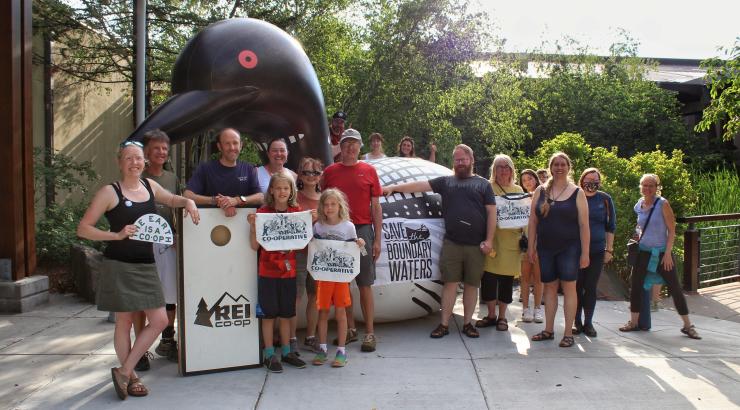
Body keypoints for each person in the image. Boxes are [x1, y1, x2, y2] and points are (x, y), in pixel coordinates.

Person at [76, 140, 199, 400]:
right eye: (129, 158)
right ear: (120, 162)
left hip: (146, 265)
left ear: (145, 162)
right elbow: (84, 228)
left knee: (160, 320)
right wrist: (116, 234)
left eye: (139, 158)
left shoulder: (149, 186)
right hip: (119, 265)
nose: (135, 162)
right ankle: (131, 377)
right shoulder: (110, 192)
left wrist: (189, 203)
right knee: (124, 321)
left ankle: (124, 369)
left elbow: (173, 198)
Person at [382, 144, 496, 339]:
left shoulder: (483, 184)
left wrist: (489, 240)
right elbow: (421, 185)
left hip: (476, 245)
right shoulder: (446, 182)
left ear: (471, 160)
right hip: (452, 242)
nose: (460, 163)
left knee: (471, 285)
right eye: (457, 160)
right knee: (450, 284)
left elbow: (491, 212)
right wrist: (394, 188)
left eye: (463, 159)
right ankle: (444, 324)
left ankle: (468, 323)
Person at [321, 128, 383, 352]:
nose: (350, 147)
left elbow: (376, 207)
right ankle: (349, 330)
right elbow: (323, 203)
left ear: (360, 147)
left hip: (363, 232)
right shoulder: (329, 172)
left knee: (365, 284)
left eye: (354, 143)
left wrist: (377, 240)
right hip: (336, 232)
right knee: (342, 284)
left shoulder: (369, 171)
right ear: (341, 146)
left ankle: (369, 333)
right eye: (346, 143)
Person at [618, 174, 701, 339]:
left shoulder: (663, 204)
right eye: (645, 185)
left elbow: (672, 230)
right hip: (642, 252)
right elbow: (640, 226)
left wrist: (668, 253)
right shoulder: (639, 205)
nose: (648, 188)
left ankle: (688, 325)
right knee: (635, 287)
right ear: (640, 187)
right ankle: (633, 322)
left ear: (657, 187)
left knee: (675, 288)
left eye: (651, 186)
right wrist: (635, 237)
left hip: (662, 254)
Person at [527, 152, 590, 348]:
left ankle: (568, 333)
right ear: (551, 167)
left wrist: (585, 253)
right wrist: (531, 246)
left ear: (568, 167)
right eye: (556, 164)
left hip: (569, 248)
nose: (559, 167)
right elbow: (533, 221)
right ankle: (549, 330)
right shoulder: (540, 191)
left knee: (569, 287)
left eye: (563, 164)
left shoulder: (577, 193)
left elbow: (584, 225)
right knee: (550, 288)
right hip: (545, 248)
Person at [247, 173, 308, 373]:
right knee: (268, 315)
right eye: (278, 188)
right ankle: (269, 354)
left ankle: (287, 352)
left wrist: (311, 222)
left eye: (286, 188)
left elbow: (302, 244)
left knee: (286, 314)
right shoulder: (263, 212)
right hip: (268, 273)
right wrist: (253, 227)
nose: (282, 192)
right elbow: (255, 246)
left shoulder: (296, 212)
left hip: (288, 274)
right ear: (271, 190)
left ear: (291, 191)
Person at [310, 189, 366, 368]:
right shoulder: (318, 226)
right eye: (326, 204)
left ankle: (341, 351)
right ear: (322, 207)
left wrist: (361, 244)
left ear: (340, 205)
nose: (329, 207)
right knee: (323, 312)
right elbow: (313, 247)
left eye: (333, 204)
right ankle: (323, 349)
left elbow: (356, 251)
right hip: (323, 278)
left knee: (341, 313)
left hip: (341, 278)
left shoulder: (348, 226)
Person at [141, 130, 180, 363]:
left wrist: (177, 234)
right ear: (147, 151)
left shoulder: (171, 178)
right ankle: (142, 346)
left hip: (167, 242)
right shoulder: (137, 176)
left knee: (170, 292)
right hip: (142, 242)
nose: (161, 152)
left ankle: (168, 339)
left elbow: (175, 209)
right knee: (145, 295)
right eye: (156, 148)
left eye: (165, 149)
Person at [475, 155, 523, 332]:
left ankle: (502, 317)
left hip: (511, 242)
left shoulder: (518, 189)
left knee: (506, 281)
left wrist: (524, 236)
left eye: (507, 166)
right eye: (500, 166)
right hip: (491, 240)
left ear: (512, 169)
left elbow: (523, 215)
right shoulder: (487, 187)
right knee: (488, 280)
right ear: (494, 169)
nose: (503, 170)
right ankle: (491, 315)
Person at [573, 168, 616, 337]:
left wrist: (609, 249)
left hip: (597, 250)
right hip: (575, 250)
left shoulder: (605, 199)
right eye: (588, 179)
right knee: (576, 287)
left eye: (595, 179)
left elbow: (610, 225)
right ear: (582, 180)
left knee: (591, 287)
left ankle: (588, 323)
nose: (592, 182)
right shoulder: (575, 196)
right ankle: (576, 321)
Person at [183, 128, 263, 216]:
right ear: (219, 146)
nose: (232, 147)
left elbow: (260, 197)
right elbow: (187, 195)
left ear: (241, 145)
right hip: (210, 225)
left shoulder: (248, 169)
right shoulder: (205, 169)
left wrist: (237, 200)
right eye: (227, 144)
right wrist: (215, 200)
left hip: (243, 225)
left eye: (235, 143)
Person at [295, 157, 322, 353]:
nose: (311, 176)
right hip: (298, 253)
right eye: (306, 172)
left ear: (321, 175)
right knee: (296, 296)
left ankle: (310, 336)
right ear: (300, 175)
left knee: (315, 295)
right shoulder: (293, 197)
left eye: (315, 172)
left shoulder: (326, 199)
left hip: (320, 253)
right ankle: (291, 337)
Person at [519, 169, 544, 323]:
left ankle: (538, 309)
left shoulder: (544, 197)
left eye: (530, 178)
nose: (527, 182)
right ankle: (525, 309)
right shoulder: (520, 198)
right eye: (524, 180)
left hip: (541, 243)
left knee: (539, 278)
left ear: (535, 179)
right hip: (524, 242)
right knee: (525, 277)